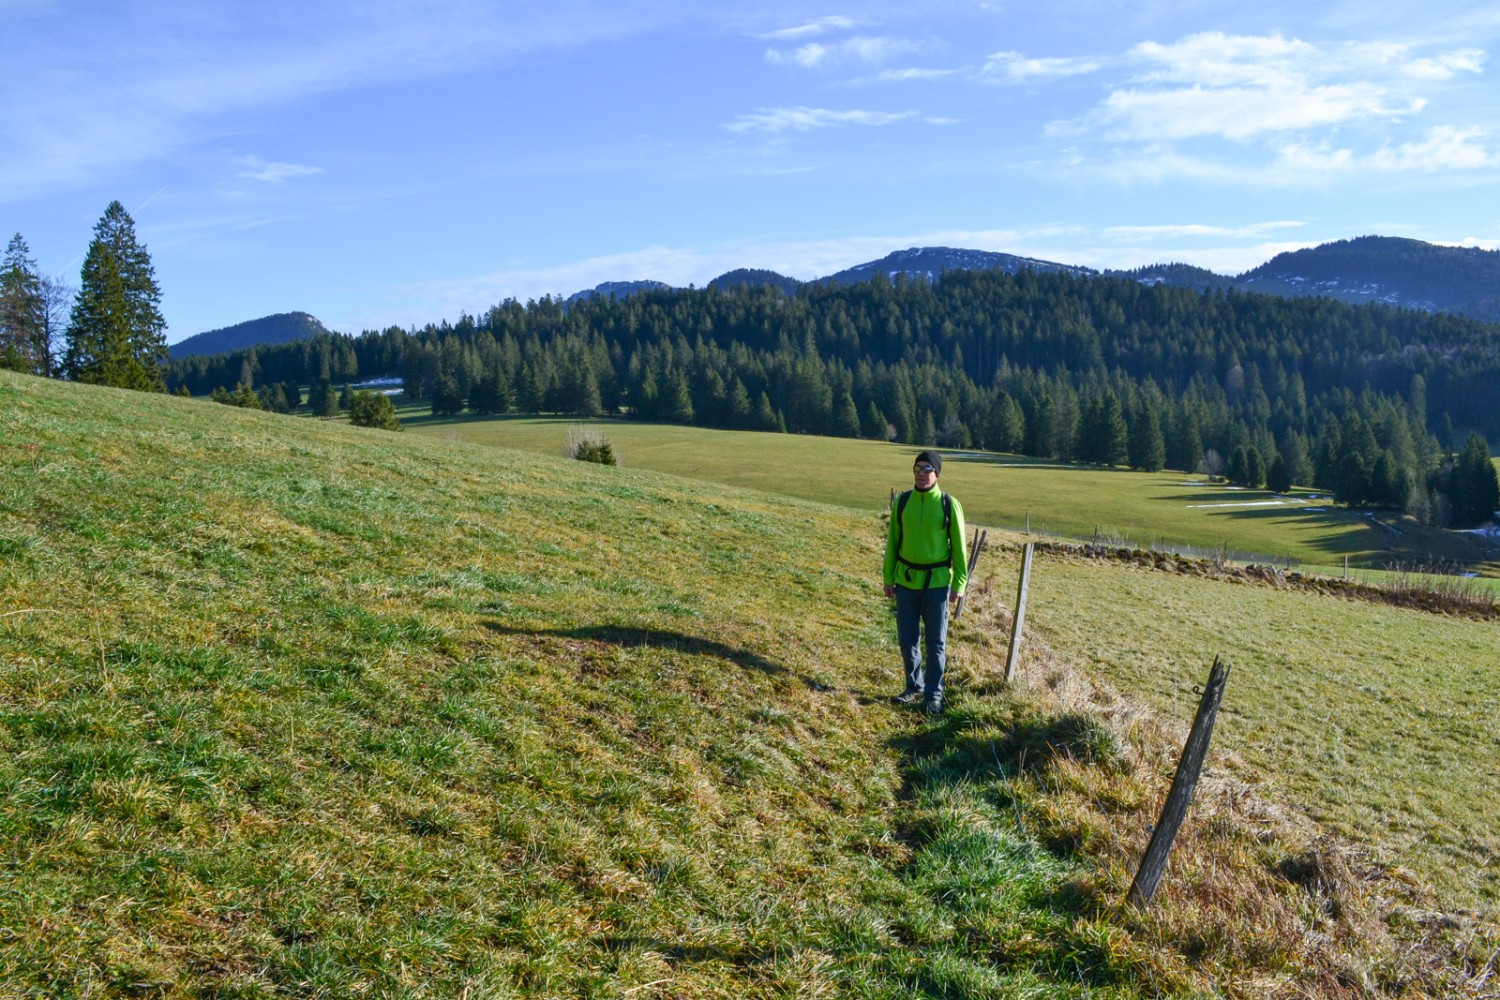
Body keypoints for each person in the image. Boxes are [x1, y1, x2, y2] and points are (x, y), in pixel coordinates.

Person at [883, 450, 967, 714]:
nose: (921, 473)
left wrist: (959, 584)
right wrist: (888, 577)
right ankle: (913, 687)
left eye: (927, 469)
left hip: (937, 585)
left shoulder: (948, 504)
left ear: (937, 474)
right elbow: (893, 542)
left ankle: (933, 695)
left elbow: (960, 549)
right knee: (907, 640)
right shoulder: (903, 501)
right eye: (917, 468)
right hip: (906, 582)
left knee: (936, 643)